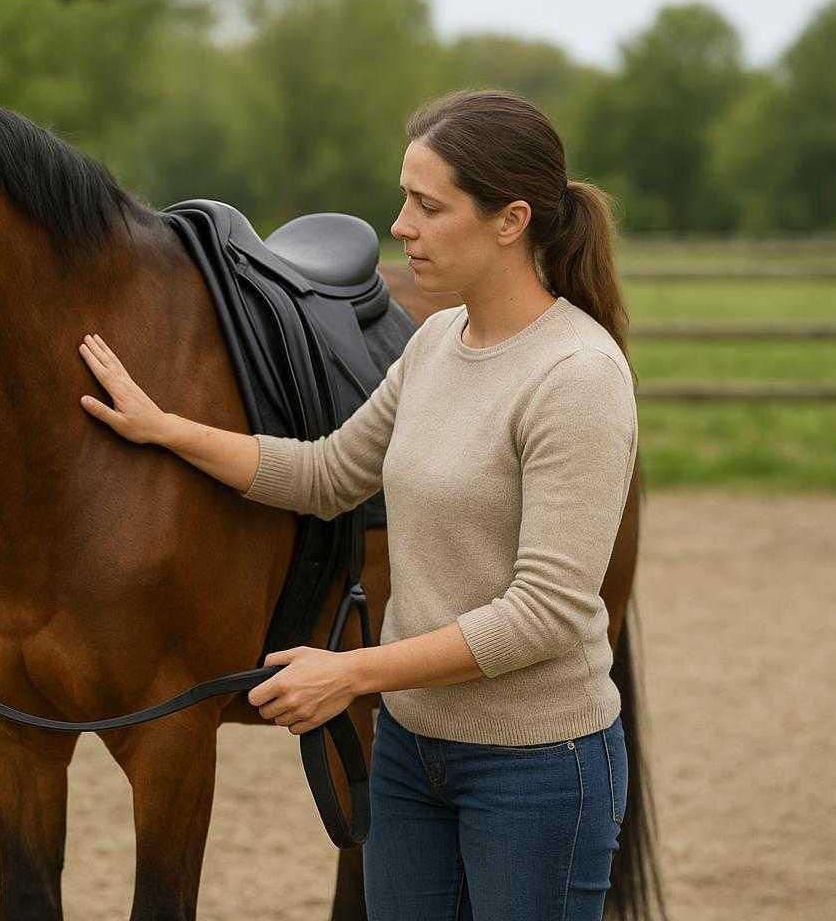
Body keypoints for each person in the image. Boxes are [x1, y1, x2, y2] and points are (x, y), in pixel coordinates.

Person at [76, 89, 637, 919]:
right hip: (412, 752)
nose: (400, 225)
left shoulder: (577, 377)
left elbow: (546, 613)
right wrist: (165, 429)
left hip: (537, 765)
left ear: (510, 220)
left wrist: (352, 672)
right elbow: (327, 473)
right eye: (405, 198)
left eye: (427, 204)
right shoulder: (436, 345)